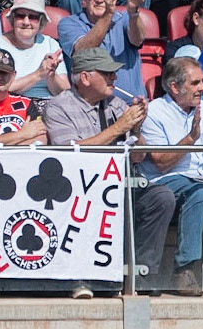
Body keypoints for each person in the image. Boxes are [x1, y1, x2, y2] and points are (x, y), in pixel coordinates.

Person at [40, 45, 176, 297]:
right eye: (107, 73)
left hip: (120, 184)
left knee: (161, 198)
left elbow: (138, 157)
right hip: (80, 189)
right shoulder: (58, 107)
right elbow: (69, 154)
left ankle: (141, 274)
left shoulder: (116, 104)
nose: (115, 77)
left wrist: (136, 129)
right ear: (85, 77)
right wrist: (119, 128)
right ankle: (82, 278)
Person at [140, 53, 203, 296]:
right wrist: (191, 139)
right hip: (165, 179)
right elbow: (161, 163)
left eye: (202, 81)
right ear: (175, 87)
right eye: (195, 83)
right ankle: (184, 269)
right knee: (199, 193)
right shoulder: (154, 112)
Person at [57, 0, 149, 97]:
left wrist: (133, 12)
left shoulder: (126, 18)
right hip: (89, 105)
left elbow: (138, 40)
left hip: (132, 103)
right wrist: (108, 13)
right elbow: (83, 52)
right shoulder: (69, 23)